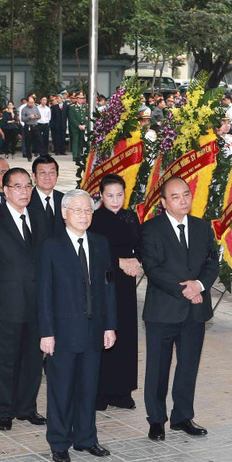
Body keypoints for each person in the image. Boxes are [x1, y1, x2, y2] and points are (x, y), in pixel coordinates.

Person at [38, 189, 116, 462]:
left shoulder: (100, 243)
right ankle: (59, 442)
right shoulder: (51, 245)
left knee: (88, 388)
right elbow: (44, 292)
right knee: (61, 390)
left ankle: (86, 438)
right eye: (77, 210)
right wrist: (46, 332)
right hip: (62, 332)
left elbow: (108, 286)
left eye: (88, 210)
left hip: (94, 329)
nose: (84, 215)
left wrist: (110, 325)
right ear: (64, 213)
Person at [141, 177, 220, 440]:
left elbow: (212, 262)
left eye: (186, 194)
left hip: (194, 311)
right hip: (162, 310)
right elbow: (152, 268)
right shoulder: (151, 229)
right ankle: (156, 420)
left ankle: (182, 417)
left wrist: (199, 285)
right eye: (175, 197)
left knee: (188, 366)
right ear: (164, 203)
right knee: (158, 368)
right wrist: (185, 289)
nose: (183, 200)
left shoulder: (202, 227)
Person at [0, 167, 45, 431]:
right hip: (7, 304)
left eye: (28, 186)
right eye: (17, 186)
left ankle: (27, 407)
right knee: (7, 359)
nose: (24, 191)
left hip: (37, 303)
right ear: (5, 191)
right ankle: (4, 410)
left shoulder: (38, 217)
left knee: (33, 359)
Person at [89, 174, 141, 410]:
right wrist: (119, 261)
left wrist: (137, 261)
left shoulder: (130, 216)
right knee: (106, 331)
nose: (115, 200)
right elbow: (93, 251)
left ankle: (122, 391)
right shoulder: (95, 219)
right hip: (104, 280)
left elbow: (141, 244)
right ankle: (101, 391)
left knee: (126, 333)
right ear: (101, 195)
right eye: (110, 195)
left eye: (119, 195)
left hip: (126, 281)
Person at [28, 155, 64, 242]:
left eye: (52, 173)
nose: (47, 177)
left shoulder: (64, 199)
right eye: (42, 173)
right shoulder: (26, 201)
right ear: (34, 176)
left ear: (57, 175)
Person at [68, 93, 88, 162]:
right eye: (80, 98)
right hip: (75, 127)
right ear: (76, 99)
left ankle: (79, 155)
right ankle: (75, 156)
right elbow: (72, 118)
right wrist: (78, 125)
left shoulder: (85, 107)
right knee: (75, 141)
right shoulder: (72, 107)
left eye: (82, 99)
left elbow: (87, 117)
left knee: (81, 141)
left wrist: (85, 125)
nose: (81, 100)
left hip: (83, 126)